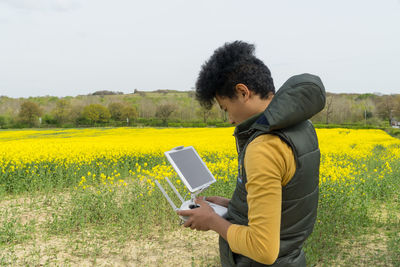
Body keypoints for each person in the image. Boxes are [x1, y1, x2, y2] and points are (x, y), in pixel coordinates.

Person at [177, 41, 326, 267]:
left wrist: (212, 221)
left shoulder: (263, 147)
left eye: (226, 108)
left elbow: (263, 249)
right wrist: (232, 206)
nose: (229, 120)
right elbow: (287, 202)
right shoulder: (302, 126)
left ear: (243, 92)